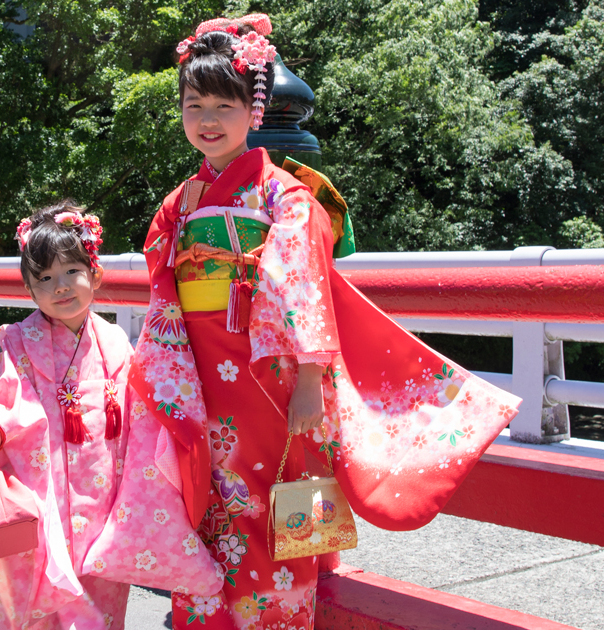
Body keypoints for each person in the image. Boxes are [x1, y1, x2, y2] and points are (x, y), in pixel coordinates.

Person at [129, 15, 523, 629]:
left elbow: (302, 286)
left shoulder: (286, 196)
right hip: (206, 377)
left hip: (275, 379)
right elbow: (164, 293)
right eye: (194, 104)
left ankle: (292, 614)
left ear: (252, 110)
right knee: (208, 501)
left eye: (224, 105)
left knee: (287, 510)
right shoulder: (179, 203)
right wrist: (169, 380)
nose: (208, 119)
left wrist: (311, 380)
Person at [0, 203, 220, 629]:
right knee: (35, 612)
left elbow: (144, 425)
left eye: (71, 272)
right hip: (45, 499)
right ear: (30, 291)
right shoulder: (16, 342)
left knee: (101, 606)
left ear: (96, 274)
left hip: (106, 504)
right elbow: (5, 401)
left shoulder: (116, 344)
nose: (61, 287)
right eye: (45, 279)